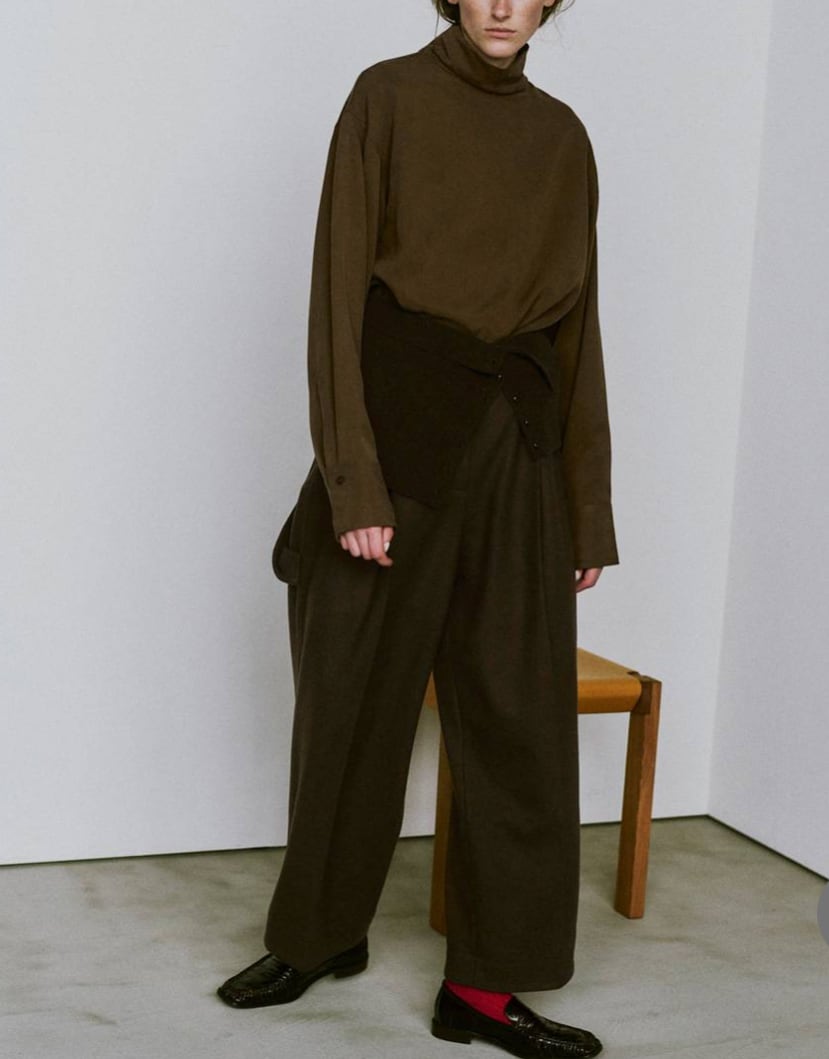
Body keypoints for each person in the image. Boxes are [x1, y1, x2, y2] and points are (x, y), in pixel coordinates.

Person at [217, 2, 619, 1056]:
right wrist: (353, 484)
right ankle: (318, 936)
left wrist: (585, 507)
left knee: (520, 724)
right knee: (351, 705)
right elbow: (336, 297)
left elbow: (577, 328)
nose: (502, 6)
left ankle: (482, 989)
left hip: (518, 454)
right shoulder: (386, 97)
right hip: (398, 446)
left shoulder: (562, 136)